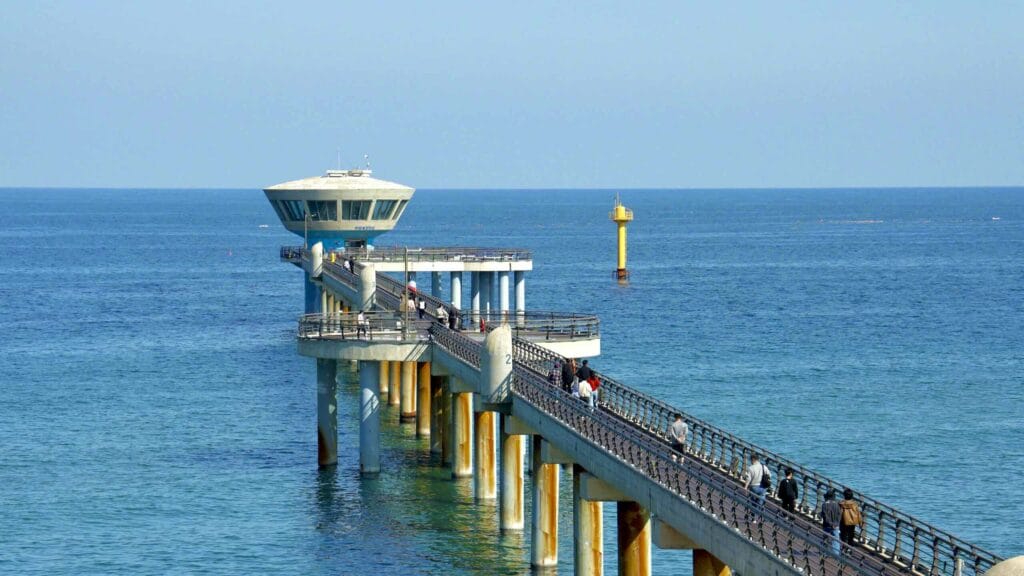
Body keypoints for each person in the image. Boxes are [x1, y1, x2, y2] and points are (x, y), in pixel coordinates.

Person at [743, 453, 771, 518]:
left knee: (753, 502)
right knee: (760, 502)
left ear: (753, 459)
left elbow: (748, 478)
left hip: (754, 487)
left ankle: (753, 516)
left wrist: (745, 487)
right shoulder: (764, 467)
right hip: (763, 487)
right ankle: (760, 513)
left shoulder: (751, 468)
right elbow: (769, 475)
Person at [821, 490, 841, 555]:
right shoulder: (837, 505)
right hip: (835, 526)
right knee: (836, 540)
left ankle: (824, 553)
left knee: (825, 538)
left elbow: (825, 516)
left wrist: (830, 524)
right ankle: (836, 554)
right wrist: (836, 524)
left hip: (827, 525)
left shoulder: (824, 505)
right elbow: (839, 515)